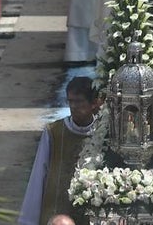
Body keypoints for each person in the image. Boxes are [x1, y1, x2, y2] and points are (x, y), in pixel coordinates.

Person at [18, 77, 99, 225]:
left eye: (79, 102)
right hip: (55, 212)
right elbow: (38, 175)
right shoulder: (54, 132)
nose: (73, 106)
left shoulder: (103, 132)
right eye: (70, 101)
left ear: (94, 103)